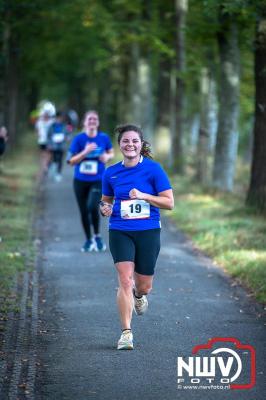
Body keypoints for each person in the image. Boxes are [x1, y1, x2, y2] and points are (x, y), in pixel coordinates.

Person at [100, 124, 174, 350]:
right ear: (120, 145)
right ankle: (126, 333)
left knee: (143, 286)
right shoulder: (111, 172)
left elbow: (169, 203)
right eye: (125, 141)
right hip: (120, 230)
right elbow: (106, 200)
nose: (130, 145)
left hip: (148, 231)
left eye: (134, 141)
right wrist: (104, 208)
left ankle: (139, 296)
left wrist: (143, 195)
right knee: (124, 279)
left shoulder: (154, 170)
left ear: (141, 145)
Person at [68, 110, 114, 252]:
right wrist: (85, 152)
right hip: (80, 181)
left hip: (97, 180)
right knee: (83, 211)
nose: (92, 121)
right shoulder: (79, 139)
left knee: (92, 207)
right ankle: (89, 240)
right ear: (84, 122)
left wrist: (107, 157)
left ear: (98, 122)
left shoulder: (104, 138)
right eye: (90, 119)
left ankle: (98, 236)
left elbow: (111, 152)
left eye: (95, 119)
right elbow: (70, 161)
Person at [47, 111, 68, 182]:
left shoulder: (64, 126)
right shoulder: (51, 126)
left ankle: (58, 174)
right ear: (55, 118)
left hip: (62, 146)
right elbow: (48, 136)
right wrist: (49, 144)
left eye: (60, 118)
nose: (59, 119)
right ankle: (51, 169)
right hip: (53, 146)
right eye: (57, 118)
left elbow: (68, 135)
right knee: (54, 159)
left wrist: (67, 138)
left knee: (60, 160)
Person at [35, 111, 54, 177]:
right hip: (42, 141)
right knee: (43, 154)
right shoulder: (39, 122)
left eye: (46, 115)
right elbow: (37, 130)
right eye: (44, 115)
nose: (45, 116)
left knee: (49, 154)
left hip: (49, 141)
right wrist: (38, 135)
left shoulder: (51, 122)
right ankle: (45, 167)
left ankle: (46, 165)